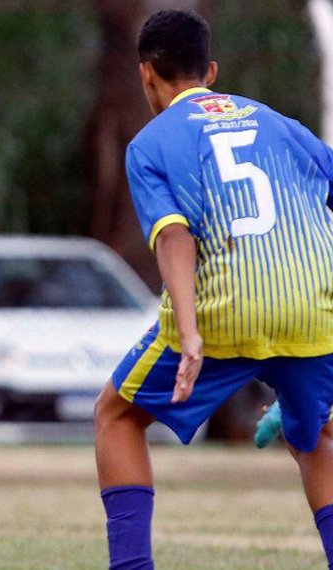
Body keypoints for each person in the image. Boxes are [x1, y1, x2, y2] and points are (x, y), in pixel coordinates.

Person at [94, 10, 333, 569]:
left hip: (226, 306)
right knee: (314, 436)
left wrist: (192, 331)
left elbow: (173, 236)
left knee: (117, 417)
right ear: (212, 70)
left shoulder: (151, 143)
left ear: (146, 73)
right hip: (313, 307)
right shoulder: (281, 123)